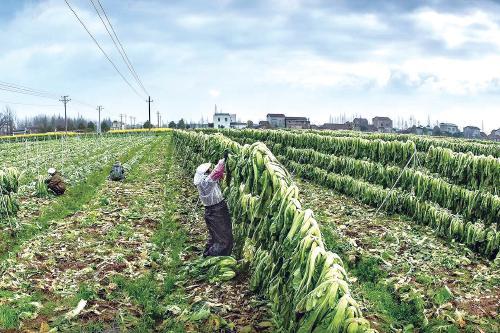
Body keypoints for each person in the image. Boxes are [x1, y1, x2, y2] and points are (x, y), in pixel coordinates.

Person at [194, 150, 233, 257]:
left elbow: (215, 173)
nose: (210, 170)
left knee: (216, 237)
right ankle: (213, 257)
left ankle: (207, 255)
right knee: (224, 239)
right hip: (216, 211)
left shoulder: (203, 182)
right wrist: (223, 160)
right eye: (208, 170)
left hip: (213, 211)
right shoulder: (206, 183)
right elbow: (217, 172)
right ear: (205, 174)